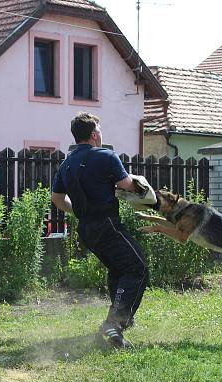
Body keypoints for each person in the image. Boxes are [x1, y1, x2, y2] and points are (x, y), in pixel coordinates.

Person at [51, 112, 149, 349]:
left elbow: (57, 198)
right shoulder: (105, 156)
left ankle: (114, 325)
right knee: (138, 268)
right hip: (107, 225)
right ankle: (115, 324)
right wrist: (144, 187)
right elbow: (127, 185)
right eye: (100, 131)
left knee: (119, 269)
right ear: (94, 134)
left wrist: (78, 212)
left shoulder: (66, 164)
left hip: (87, 230)